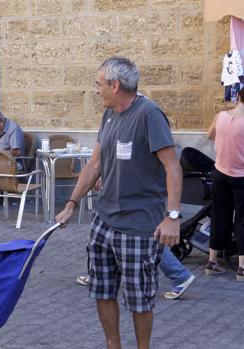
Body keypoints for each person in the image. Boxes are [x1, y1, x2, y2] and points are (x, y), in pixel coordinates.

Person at [55, 57, 182, 349]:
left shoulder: (149, 114)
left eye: (99, 84)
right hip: (104, 221)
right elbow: (94, 166)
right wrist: (72, 203)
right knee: (102, 290)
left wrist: (172, 217)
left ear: (115, 85)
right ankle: (114, 346)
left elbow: (172, 167)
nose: (96, 90)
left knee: (139, 298)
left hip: (138, 225)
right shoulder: (109, 114)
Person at [206, 87, 244, 280]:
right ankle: (242, 268)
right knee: (242, 219)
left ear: (238, 96)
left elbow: (209, 135)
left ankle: (212, 261)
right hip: (241, 176)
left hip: (220, 173)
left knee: (219, 215)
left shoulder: (220, 116)